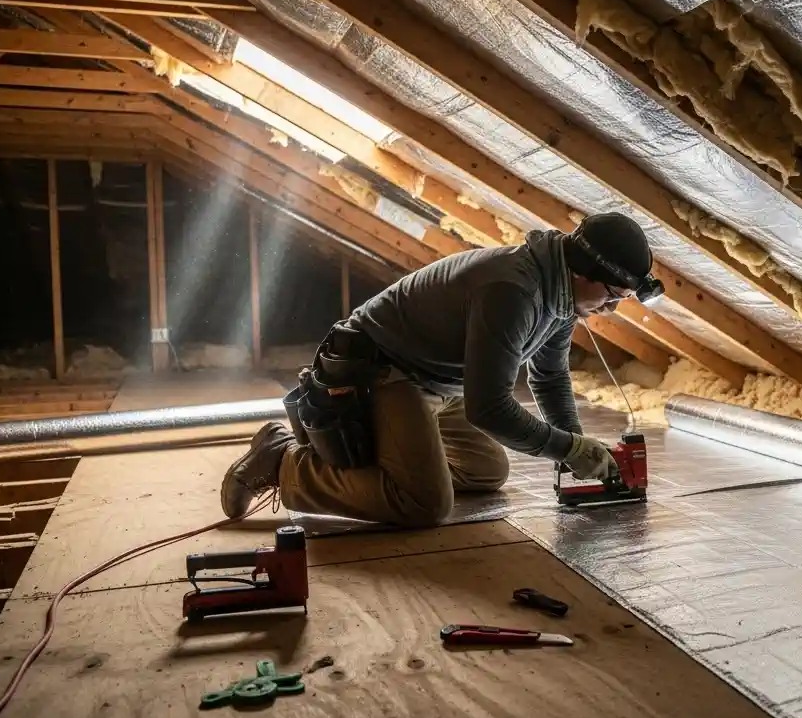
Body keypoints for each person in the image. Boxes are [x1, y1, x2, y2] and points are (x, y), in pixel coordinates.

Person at [219, 212, 663, 528]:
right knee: (425, 504)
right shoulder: (512, 291)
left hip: (438, 380)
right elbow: (489, 408)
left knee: (486, 471)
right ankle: (284, 461)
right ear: (584, 272)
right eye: (613, 295)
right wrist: (567, 448)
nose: (611, 308)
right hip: (379, 371)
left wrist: (575, 446)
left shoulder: (562, 295)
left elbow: (549, 376)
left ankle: (397, 459)